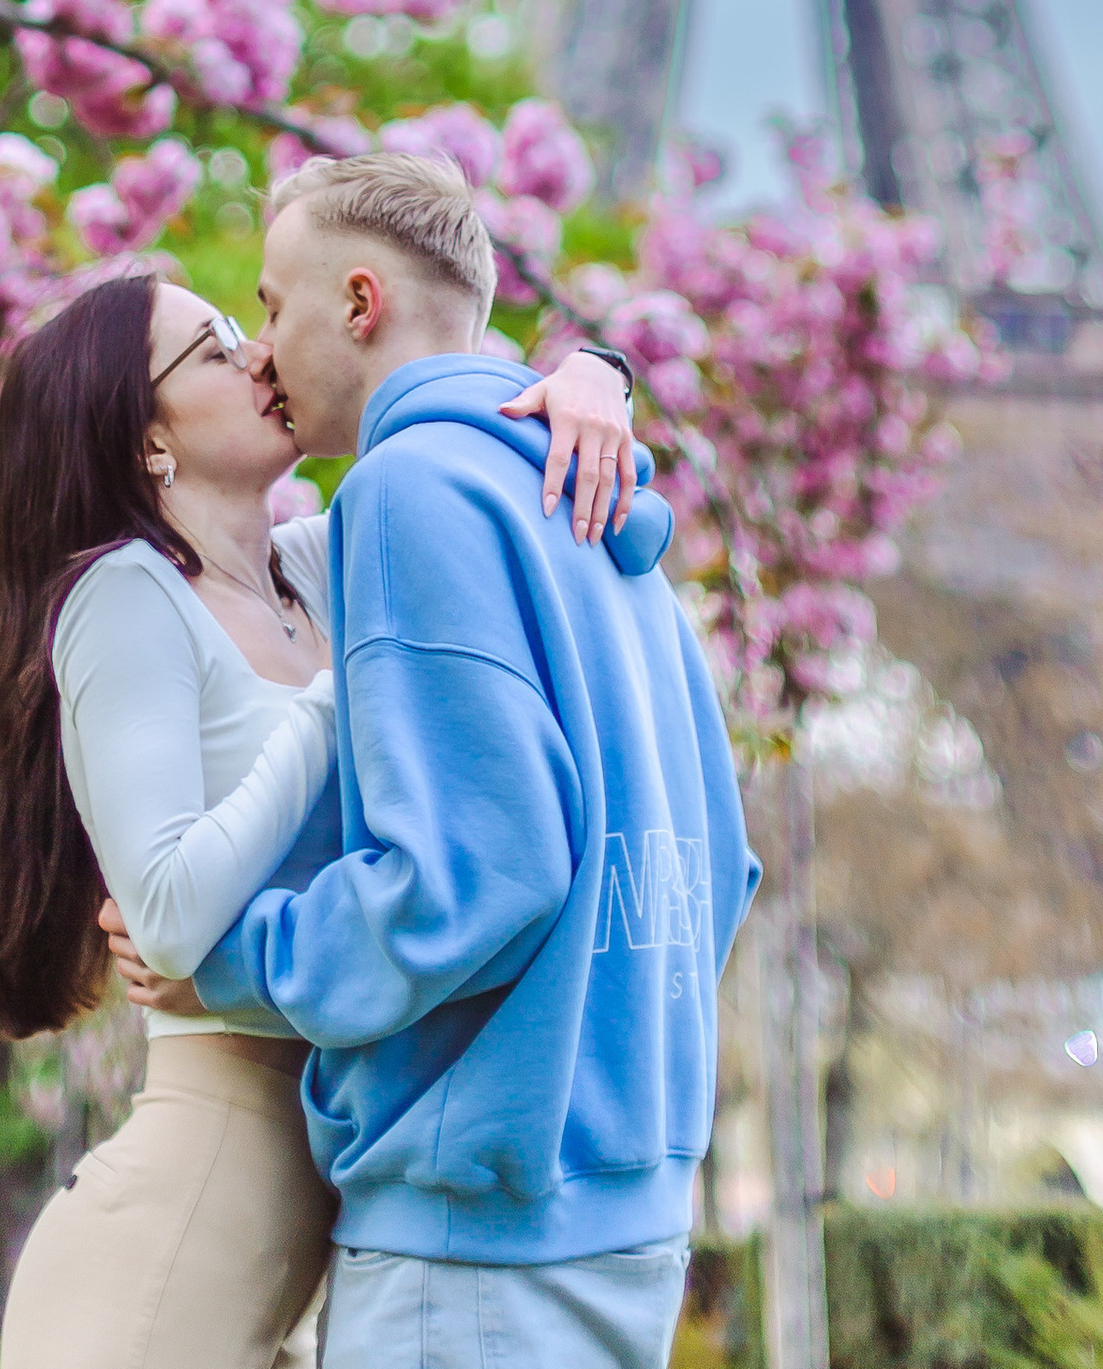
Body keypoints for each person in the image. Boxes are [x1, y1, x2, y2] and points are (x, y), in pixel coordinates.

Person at [104, 151, 757, 1369]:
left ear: (357, 303)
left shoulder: (407, 492)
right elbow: (721, 863)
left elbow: (471, 881)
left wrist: (234, 964)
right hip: (632, 1197)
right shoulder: (598, 511)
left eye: (268, 304)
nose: (258, 350)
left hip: (475, 1234)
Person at [0, 260, 642, 1369]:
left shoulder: (318, 568)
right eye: (214, 345)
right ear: (146, 441)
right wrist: (331, 705)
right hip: (168, 1251)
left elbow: (467, 436)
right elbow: (169, 918)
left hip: (307, 1235)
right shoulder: (125, 594)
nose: (259, 356)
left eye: (245, 325)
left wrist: (594, 377)